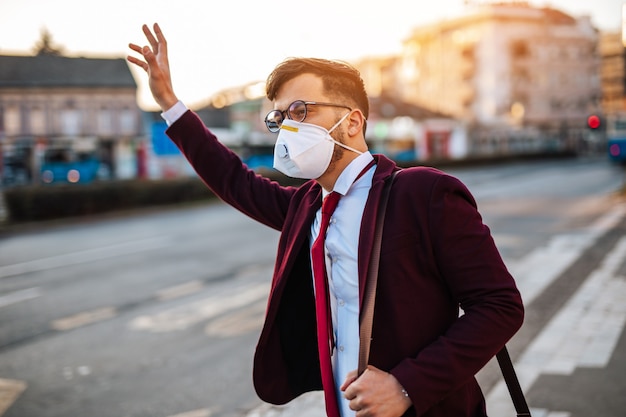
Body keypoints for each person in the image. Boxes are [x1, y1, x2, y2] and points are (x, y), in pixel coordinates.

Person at [127, 23, 524, 417]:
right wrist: (170, 104)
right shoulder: (306, 207)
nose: (288, 127)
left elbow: (499, 305)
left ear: (352, 122)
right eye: (279, 117)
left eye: (300, 110)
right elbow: (234, 179)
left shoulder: (423, 193)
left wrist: (407, 385)